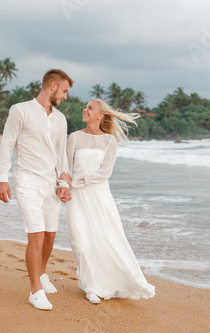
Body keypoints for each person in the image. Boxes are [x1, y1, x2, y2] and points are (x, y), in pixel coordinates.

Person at [59, 99, 155, 304]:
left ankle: (99, 285)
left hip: (100, 196)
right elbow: (64, 167)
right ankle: (89, 286)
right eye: (85, 107)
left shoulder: (110, 141)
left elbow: (105, 173)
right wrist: (63, 187)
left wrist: (76, 182)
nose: (85, 110)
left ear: (100, 115)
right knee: (80, 243)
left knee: (105, 240)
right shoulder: (74, 137)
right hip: (77, 198)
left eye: (90, 108)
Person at [0, 69, 73, 311]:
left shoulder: (60, 119)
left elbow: (61, 154)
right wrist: (2, 179)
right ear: (52, 86)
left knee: (50, 234)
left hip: (50, 183)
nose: (65, 97)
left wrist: (62, 183)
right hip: (27, 180)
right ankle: (35, 290)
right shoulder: (20, 110)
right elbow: (7, 144)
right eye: (64, 91)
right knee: (37, 234)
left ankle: (41, 274)